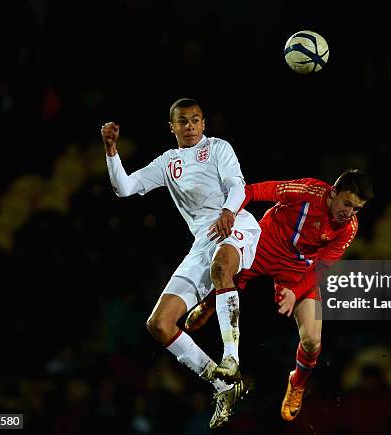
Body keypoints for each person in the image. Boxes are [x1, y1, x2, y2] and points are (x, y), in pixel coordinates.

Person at [101, 98, 261, 428]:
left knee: (221, 268)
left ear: (204, 124)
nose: (189, 126)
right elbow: (125, 187)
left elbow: (237, 185)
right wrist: (111, 151)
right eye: (182, 121)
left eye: (195, 120)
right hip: (203, 242)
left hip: (236, 224)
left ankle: (231, 357)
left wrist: (228, 212)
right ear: (171, 127)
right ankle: (223, 385)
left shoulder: (218, 148)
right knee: (159, 324)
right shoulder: (167, 162)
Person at [186, 169, 374, 421]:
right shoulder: (306, 191)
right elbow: (251, 191)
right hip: (265, 243)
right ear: (333, 193)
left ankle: (297, 381)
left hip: (298, 269)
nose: (349, 213)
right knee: (225, 269)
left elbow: (321, 269)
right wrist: (229, 214)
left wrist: (295, 292)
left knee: (313, 342)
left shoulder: (348, 228)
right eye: (347, 203)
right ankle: (210, 302)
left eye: (357, 208)